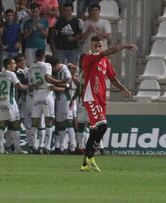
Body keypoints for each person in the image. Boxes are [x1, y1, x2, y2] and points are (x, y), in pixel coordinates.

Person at [80, 36, 137, 172]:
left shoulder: (104, 61)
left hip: (101, 100)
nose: (98, 48)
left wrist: (123, 89)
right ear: (91, 46)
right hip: (91, 97)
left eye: (100, 46)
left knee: (95, 131)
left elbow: (112, 77)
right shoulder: (88, 57)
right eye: (96, 46)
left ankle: (85, 164)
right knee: (103, 126)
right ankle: (91, 156)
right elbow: (108, 52)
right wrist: (124, 46)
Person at [0, 58, 29, 154]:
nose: (15, 65)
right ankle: (17, 148)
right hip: (10, 103)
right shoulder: (11, 74)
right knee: (16, 125)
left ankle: (1, 148)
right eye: (13, 63)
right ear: (8, 65)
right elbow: (19, 86)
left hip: (0, 103)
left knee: (1, 125)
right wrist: (30, 86)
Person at [28, 50, 65, 154]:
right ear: (43, 56)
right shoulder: (47, 65)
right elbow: (47, 78)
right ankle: (46, 147)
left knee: (35, 122)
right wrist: (59, 82)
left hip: (36, 95)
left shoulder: (31, 67)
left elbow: (31, 84)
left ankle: (34, 147)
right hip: (46, 93)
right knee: (48, 122)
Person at [47, 56, 77, 153]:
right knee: (60, 124)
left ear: (54, 65)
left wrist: (54, 87)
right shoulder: (59, 72)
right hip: (59, 100)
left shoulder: (65, 71)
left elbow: (67, 87)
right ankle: (61, 147)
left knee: (68, 122)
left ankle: (73, 147)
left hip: (67, 100)